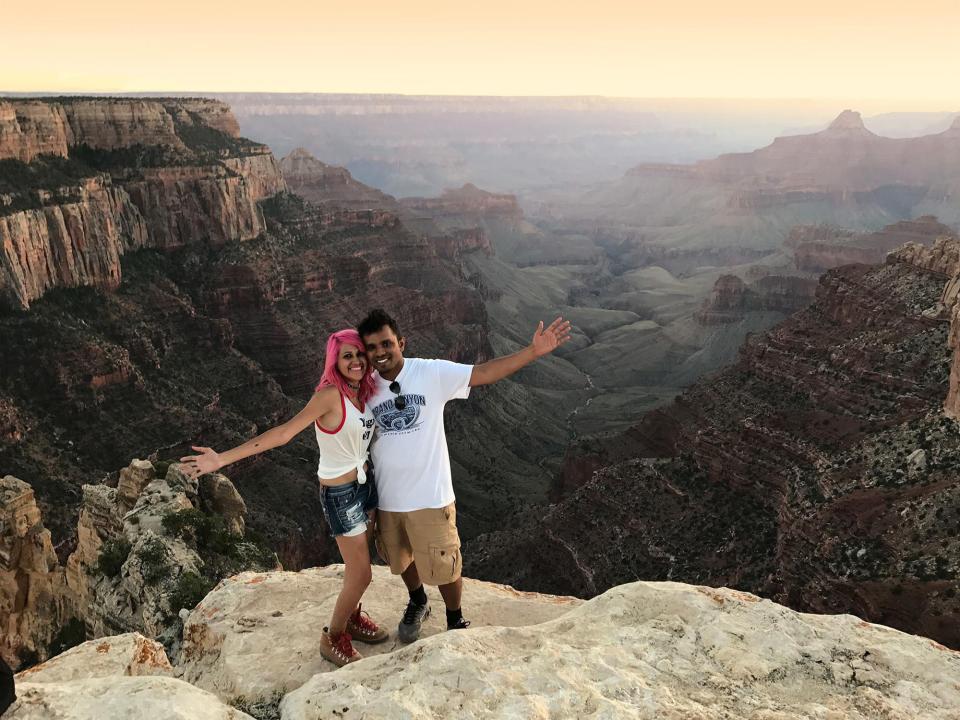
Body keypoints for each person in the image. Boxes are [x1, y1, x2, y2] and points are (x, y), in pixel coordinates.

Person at [358, 308, 571, 641]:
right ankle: (417, 601)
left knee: (445, 564)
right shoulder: (364, 388)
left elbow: (483, 372)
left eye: (386, 344)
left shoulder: (430, 373)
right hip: (388, 498)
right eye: (372, 348)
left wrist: (532, 352)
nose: (380, 353)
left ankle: (455, 620)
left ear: (401, 342)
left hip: (431, 495)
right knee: (400, 558)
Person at [180, 329, 387, 667]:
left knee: (363, 565)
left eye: (360, 354)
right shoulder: (329, 396)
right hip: (341, 495)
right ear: (334, 359)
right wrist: (221, 459)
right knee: (361, 572)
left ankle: (351, 616)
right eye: (347, 355)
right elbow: (283, 433)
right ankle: (332, 636)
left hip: (366, 488)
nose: (355, 361)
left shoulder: (362, 392)